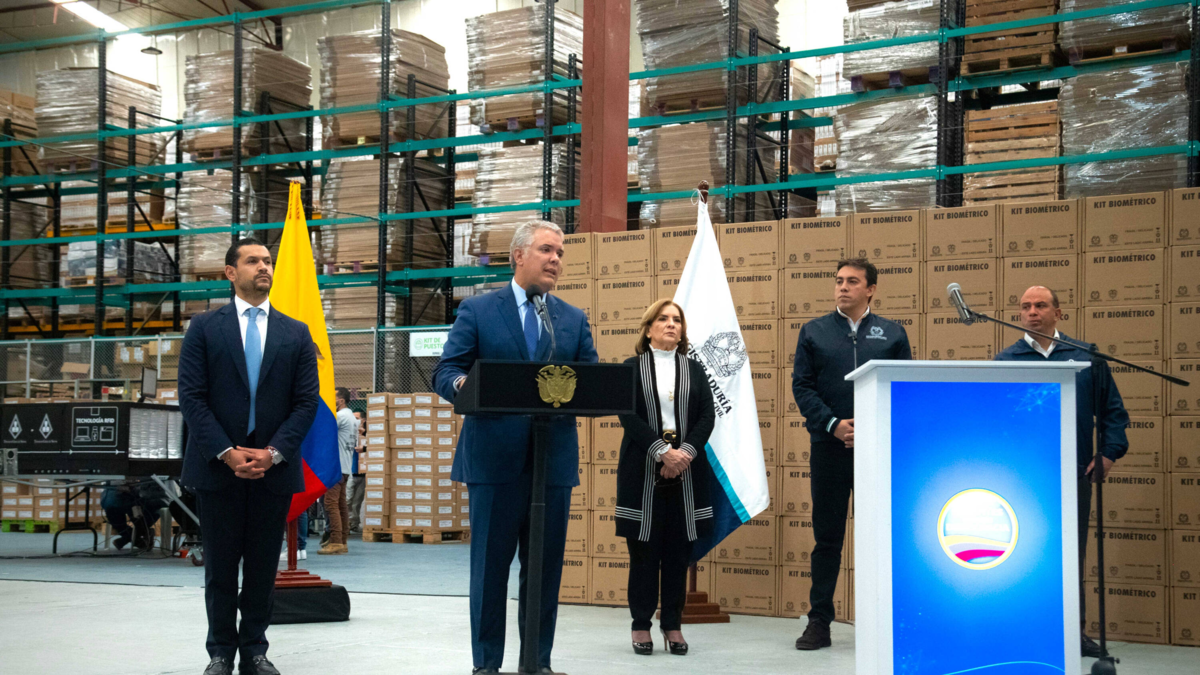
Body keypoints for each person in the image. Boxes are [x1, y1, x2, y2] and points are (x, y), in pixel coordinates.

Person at [432, 220, 598, 675]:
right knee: (489, 571)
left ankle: (536, 664)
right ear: (518, 255)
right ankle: (486, 666)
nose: (555, 260)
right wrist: (466, 386)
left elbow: (591, 380)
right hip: (494, 462)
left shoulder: (571, 319)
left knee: (544, 571)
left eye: (560, 253)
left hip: (553, 463)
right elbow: (446, 370)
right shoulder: (479, 310)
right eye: (546, 250)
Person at [179, 237, 319, 675]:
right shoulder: (204, 328)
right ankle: (220, 653)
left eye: (268, 261)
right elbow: (192, 397)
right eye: (254, 261)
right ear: (230, 272)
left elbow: (306, 403)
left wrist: (273, 453)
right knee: (220, 569)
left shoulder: (296, 332)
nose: (264, 267)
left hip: (272, 471)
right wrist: (226, 452)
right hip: (218, 469)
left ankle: (255, 650)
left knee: (261, 569)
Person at [994, 285, 1130, 658]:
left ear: (1058, 312)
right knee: (1021, 554)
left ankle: (1073, 632)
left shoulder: (1085, 357)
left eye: (1040, 305)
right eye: (1025, 306)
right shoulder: (1006, 361)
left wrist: (1109, 453)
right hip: (1020, 478)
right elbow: (995, 419)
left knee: (1071, 554)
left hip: (1074, 473)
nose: (1032, 312)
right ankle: (1023, 631)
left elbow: (1113, 412)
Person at [790, 258, 911, 650]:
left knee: (881, 537)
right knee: (827, 539)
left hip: (877, 452)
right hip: (829, 449)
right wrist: (833, 425)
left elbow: (903, 387)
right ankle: (819, 622)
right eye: (839, 280)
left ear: (870, 289)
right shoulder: (814, 331)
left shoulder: (892, 334)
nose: (843, 287)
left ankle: (886, 622)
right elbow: (802, 386)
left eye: (852, 281)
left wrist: (873, 429)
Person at [615, 299, 715, 657]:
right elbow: (628, 415)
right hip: (642, 470)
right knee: (643, 552)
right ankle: (641, 624)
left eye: (677, 320)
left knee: (678, 552)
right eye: (663, 319)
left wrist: (683, 454)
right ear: (648, 329)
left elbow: (707, 416)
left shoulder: (695, 369)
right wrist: (661, 451)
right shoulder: (631, 368)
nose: (671, 324)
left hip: (687, 472)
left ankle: (672, 624)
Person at [320, 387, 356, 555]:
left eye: (333, 397)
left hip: (336, 466)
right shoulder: (351, 417)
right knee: (341, 504)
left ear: (340, 401)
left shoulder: (341, 416)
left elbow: (324, 430)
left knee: (330, 503)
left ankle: (335, 541)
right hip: (345, 466)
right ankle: (342, 541)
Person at [101, 480, 168, 550]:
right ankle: (140, 537)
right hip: (119, 488)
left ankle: (128, 538)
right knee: (112, 508)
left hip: (148, 489)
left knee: (139, 508)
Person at [347, 411, 366, 534]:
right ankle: (345, 524)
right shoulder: (349, 434)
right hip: (350, 472)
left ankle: (354, 524)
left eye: (357, 418)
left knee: (357, 502)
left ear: (363, 420)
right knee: (347, 500)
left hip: (363, 474)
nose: (355, 421)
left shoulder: (368, 435)